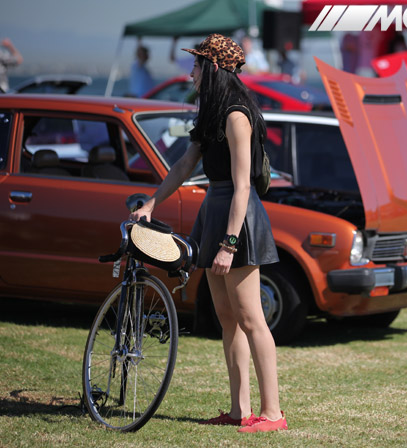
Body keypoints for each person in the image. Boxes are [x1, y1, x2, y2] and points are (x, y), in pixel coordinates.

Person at [130, 34, 287, 433]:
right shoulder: (212, 110)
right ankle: (239, 411)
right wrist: (152, 203)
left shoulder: (236, 115)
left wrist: (229, 244)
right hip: (216, 207)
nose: (191, 72)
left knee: (252, 319)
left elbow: (243, 186)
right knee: (227, 317)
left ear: (213, 68)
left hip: (238, 216)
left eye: (197, 65)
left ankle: (273, 414)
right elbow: (184, 165)